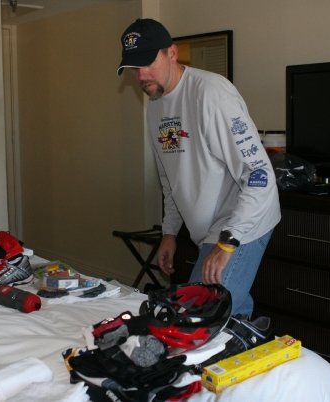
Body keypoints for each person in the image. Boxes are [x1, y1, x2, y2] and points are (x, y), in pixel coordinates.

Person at [117, 18, 281, 318]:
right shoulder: (155, 106)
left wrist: (229, 242)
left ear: (172, 53)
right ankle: (250, 345)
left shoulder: (211, 94)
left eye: (148, 63)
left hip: (242, 221)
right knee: (230, 309)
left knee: (200, 312)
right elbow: (171, 179)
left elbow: (259, 175)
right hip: (205, 230)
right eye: (133, 68)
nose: (141, 75)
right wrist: (169, 232)